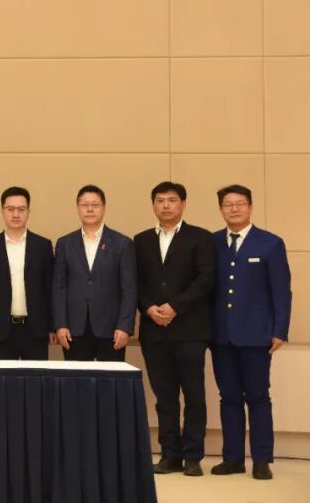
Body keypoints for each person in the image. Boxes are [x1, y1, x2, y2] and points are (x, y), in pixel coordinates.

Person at [209, 185, 291, 481]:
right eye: (228, 204)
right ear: (221, 209)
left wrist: (279, 330)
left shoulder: (270, 243)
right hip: (221, 335)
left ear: (250, 207)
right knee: (229, 397)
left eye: (240, 203)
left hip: (257, 334)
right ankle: (232, 459)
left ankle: (261, 459)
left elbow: (281, 291)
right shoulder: (212, 242)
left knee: (258, 397)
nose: (234, 209)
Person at [133, 182, 215, 476]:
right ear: (153, 205)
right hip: (154, 331)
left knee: (194, 396)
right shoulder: (141, 240)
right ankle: (170, 454)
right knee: (164, 397)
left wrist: (175, 306)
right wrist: (148, 308)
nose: (165, 205)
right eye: (160, 200)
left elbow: (205, 280)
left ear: (183, 204)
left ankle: (193, 456)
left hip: (190, 330)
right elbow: (135, 282)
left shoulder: (201, 238)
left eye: (171, 200)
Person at [52, 184, 136, 361]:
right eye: (84, 205)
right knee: (77, 378)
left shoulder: (122, 243)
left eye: (95, 205)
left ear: (104, 208)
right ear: (77, 208)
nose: (90, 209)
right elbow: (59, 288)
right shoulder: (65, 244)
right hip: (74, 330)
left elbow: (129, 289)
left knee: (110, 378)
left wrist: (125, 326)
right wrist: (60, 324)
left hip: (112, 330)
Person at [0, 186, 55, 360]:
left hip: (36, 329)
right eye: (10, 209)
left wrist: (52, 327)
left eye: (21, 209)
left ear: (28, 212)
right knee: (2, 377)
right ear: (2, 212)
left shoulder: (43, 246)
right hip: (1, 329)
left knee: (36, 377)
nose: (16, 214)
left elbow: (49, 289)